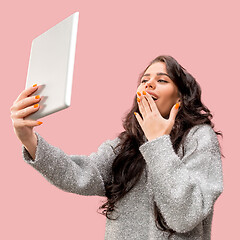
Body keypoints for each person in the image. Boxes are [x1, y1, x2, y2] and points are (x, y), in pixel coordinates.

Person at [10, 55, 224, 240]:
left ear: (180, 96)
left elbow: (184, 216)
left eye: (162, 80)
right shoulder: (125, 145)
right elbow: (79, 175)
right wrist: (29, 138)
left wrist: (158, 142)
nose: (148, 84)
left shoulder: (199, 138)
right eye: (144, 80)